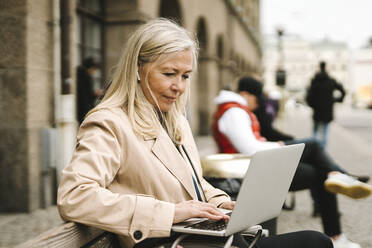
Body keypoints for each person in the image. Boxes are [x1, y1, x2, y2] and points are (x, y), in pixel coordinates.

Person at [57, 18, 333, 248]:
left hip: (195, 237)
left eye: (185, 76)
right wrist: (171, 213)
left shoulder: (174, 120)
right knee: (314, 242)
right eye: (169, 73)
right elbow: (75, 197)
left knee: (315, 242)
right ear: (138, 70)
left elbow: (193, 185)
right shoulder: (109, 122)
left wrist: (223, 203)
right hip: (167, 241)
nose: (178, 86)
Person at [212, 76, 372, 248]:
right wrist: (280, 145)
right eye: (257, 98)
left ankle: (336, 178)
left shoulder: (233, 110)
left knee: (319, 168)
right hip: (253, 172)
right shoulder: (234, 112)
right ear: (245, 94)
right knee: (314, 147)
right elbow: (250, 148)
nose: (259, 103)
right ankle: (339, 183)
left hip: (257, 168)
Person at [254, 90, 370, 217]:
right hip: (268, 155)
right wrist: (285, 141)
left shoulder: (250, 111)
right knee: (317, 151)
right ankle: (341, 176)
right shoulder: (242, 112)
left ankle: (337, 179)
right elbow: (260, 138)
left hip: (314, 117)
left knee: (317, 155)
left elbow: (309, 98)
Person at [306, 61, 346, 148]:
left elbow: (309, 95)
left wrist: (312, 104)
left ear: (319, 67)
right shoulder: (330, 80)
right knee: (325, 131)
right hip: (327, 109)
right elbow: (343, 91)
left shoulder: (315, 81)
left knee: (315, 131)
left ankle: (314, 148)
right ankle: (322, 150)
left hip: (317, 109)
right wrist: (337, 100)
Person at [76, 57, 103, 123]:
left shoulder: (78, 74)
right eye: (94, 70)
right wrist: (95, 94)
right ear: (91, 68)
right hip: (84, 109)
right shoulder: (86, 76)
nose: (93, 72)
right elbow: (86, 95)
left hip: (78, 108)